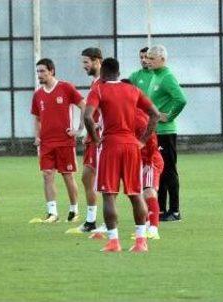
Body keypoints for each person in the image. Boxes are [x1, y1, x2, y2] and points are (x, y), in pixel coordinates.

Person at [83, 57, 160, 253]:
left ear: (103, 73)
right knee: (135, 193)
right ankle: (141, 241)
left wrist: (95, 138)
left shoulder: (99, 89)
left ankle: (114, 242)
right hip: (132, 146)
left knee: (109, 194)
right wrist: (142, 140)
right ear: (118, 72)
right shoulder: (133, 90)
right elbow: (155, 114)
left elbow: (87, 116)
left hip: (110, 145)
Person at [29, 58, 84, 223]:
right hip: (46, 143)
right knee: (47, 175)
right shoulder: (38, 94)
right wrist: (37, 136)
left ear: (51, 71)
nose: (39, 75)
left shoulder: (66, 88)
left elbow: (84, 105)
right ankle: (52, 212)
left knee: (67, 175)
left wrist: (79, 129)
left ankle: (74, 210)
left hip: (65, 142)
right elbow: (37, 118)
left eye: (42, 71)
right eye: (38, 71)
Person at [145, 45, 187, 222]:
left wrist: (168, 116)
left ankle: (175, 211)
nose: (148, 61)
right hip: (155, 131)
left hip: (165, 132)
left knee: (169, 171)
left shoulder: (167, 77)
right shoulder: (155, 76)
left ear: (162, 59)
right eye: (147, 58)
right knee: (159, 171)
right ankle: (160, 209)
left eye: (152, 58)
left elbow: (181, 99)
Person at [71, 47, 103, 233]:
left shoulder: (102, 83)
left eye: (86, 62)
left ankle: (104, 224)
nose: (84, 66)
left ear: (97, 61)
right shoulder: (95, 83)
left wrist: (95, 132)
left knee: (106, 181)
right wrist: (87, 133)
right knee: (87, 178)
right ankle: (91, 221)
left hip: (102, 139)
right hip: (94, 137)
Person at [134, 106, 164, 239]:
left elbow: (151, 140)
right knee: (139, 194)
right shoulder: (125, 115)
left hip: (150, 160)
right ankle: (147, 225)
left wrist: (147, 161)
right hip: (138, 160)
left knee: (149, 191)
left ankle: (153, 229)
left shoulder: (138, 117)